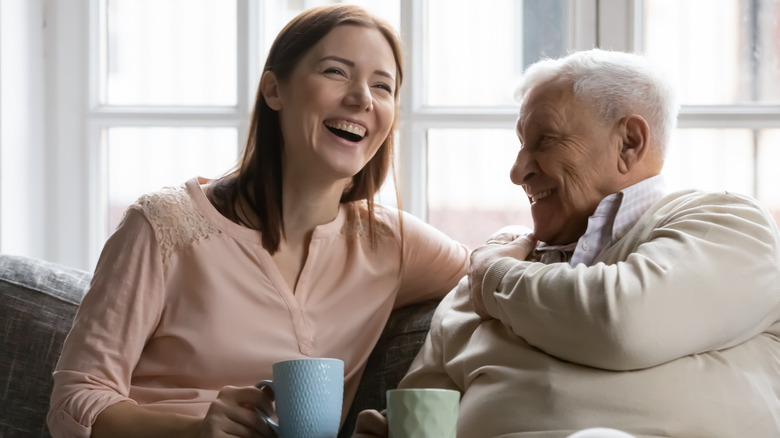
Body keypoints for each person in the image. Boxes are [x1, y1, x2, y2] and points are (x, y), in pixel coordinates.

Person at [47, 5, 469, 438]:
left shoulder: (391, 244)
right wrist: (194, 431)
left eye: (383, 86)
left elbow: (496, 272)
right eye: (335, 72)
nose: (362, 97)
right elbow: (75, 400)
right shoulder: (161, 226)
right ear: (274, 90)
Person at [353, 49, 780, 437]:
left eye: (545, 141)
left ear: (629, 143)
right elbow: (423, 407)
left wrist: (493, 277)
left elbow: (622, 324)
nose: (518, 172)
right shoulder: (483, 281)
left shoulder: (730, 224)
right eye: (522, 146)